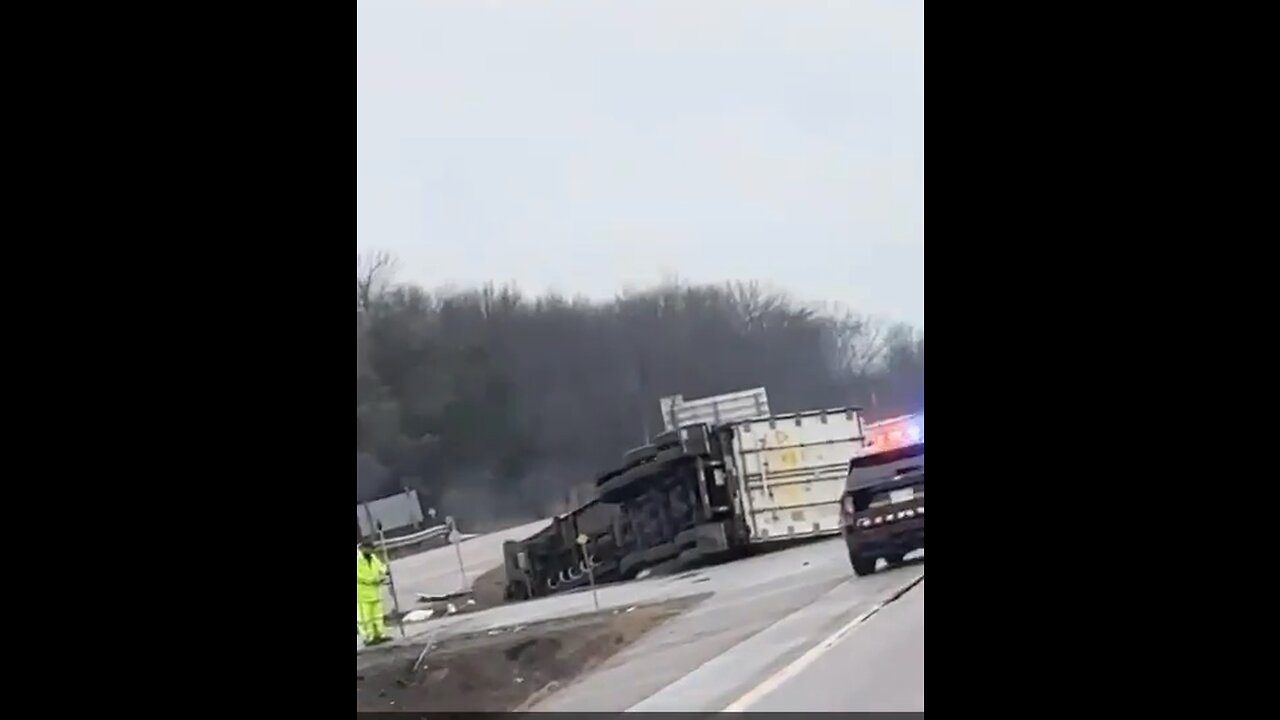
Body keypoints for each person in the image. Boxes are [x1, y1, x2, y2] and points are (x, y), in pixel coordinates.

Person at [356, 541, 390, 645]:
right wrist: (372, 580)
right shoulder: (358, 559)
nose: (371, 551)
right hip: (362, 594)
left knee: (378, 615)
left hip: (375, 592)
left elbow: (379, 566)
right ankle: (369, 637)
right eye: (369, 549)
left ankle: (380, 634)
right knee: (366, 618)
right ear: (362, 548)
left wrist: (385, 570)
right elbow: (358, 576)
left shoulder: (372, 557)